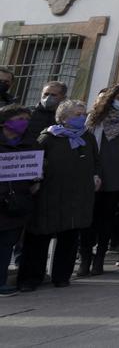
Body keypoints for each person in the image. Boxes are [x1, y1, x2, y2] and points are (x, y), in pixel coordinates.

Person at [17, 99, 99, 291]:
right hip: (50, 194)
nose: (82, 117)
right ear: (63, 117)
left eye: (83, 113)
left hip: (77, 195)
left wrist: (96, 175)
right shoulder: (48, 137)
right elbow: (35, 162)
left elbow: (96, 160)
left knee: (70, 236)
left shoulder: (87, 137)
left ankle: (62, 276)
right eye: (77, 114)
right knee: (40, 235)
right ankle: (31, 278)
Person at [78, 84, 119, 277]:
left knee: (107, 217)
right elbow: (86, 142)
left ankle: (99, 259)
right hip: (95, 169)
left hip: (118, 171)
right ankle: (85, 256)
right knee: (89, 216)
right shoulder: (95, 117)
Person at [0, 105, 37, 296]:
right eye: (20, 119)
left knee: (7, 243)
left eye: (27, 119)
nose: (25, 123)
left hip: (18, 199)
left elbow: (36, 168)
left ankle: (1, 281)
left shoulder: (30, 143)